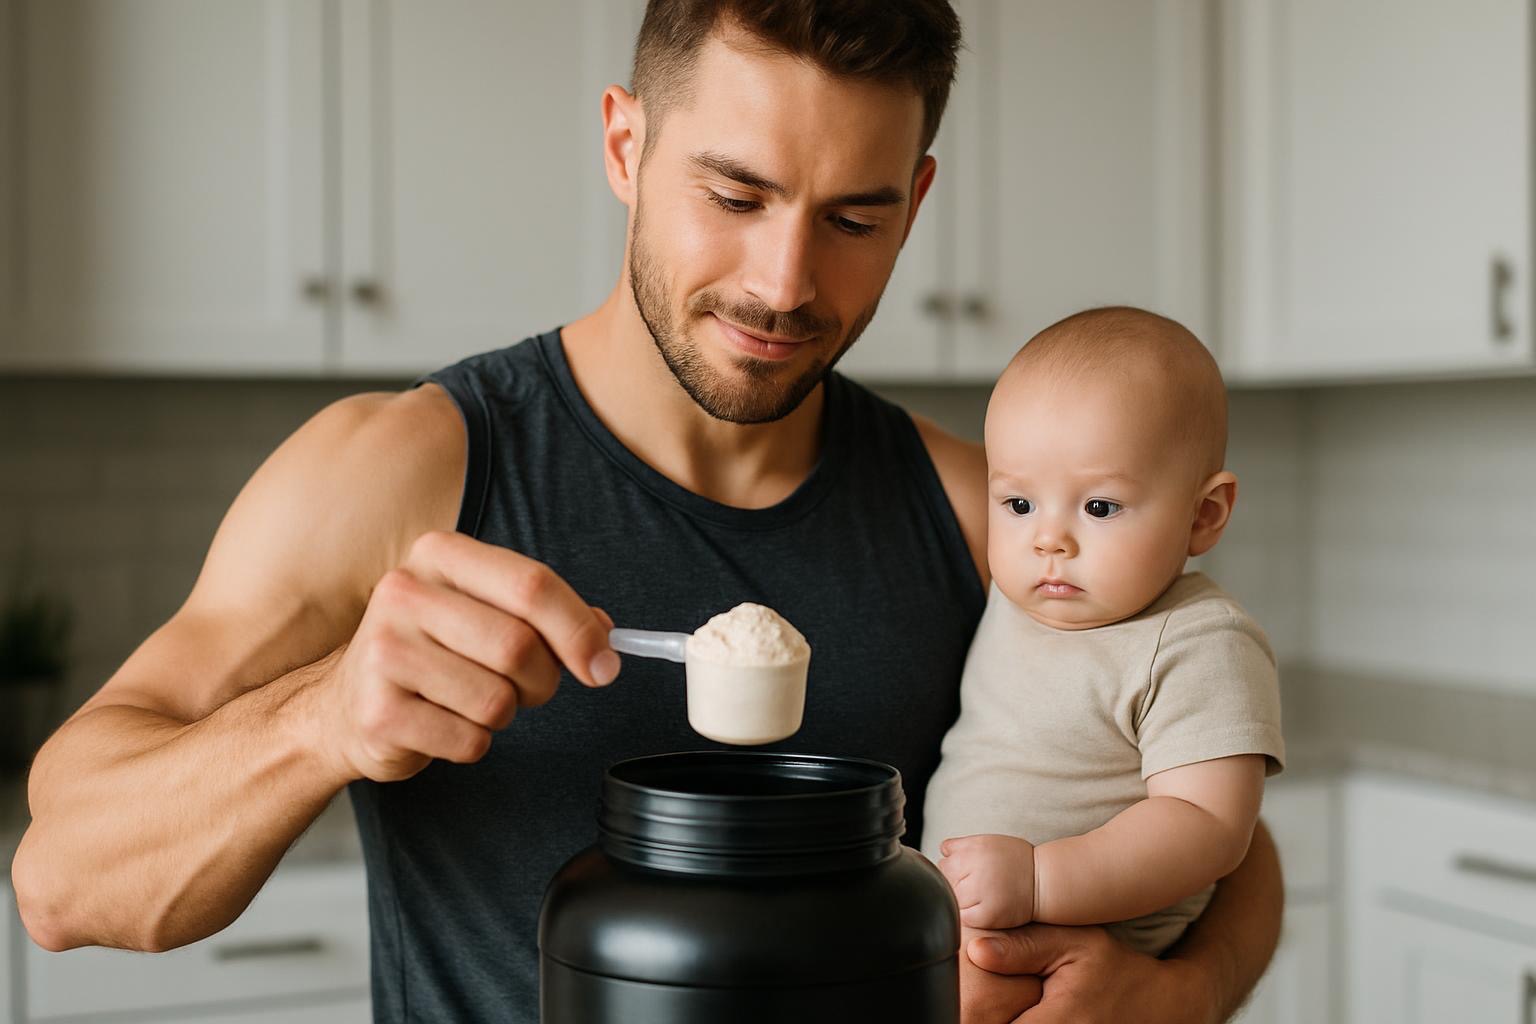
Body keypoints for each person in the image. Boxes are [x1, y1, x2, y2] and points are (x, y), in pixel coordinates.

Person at [10, 3, 1284, 1021]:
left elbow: (1225, 823)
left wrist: (1180, 990)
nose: (785, 282)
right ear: (626, 145)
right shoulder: (404, 474)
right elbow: (62, 882)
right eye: (735, 196)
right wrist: (322, 718)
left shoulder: (981, 515)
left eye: (853, 217)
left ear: (918, 202)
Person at [920, 308, 1285, 1013]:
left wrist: (1039, 880)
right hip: (974, 920)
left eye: (1101, 506)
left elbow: (1210, 825)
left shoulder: (1201, 641)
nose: (1048, 539)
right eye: (1020, 502)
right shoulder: (1019, 597)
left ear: (1204, 515)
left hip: (1075, 945)